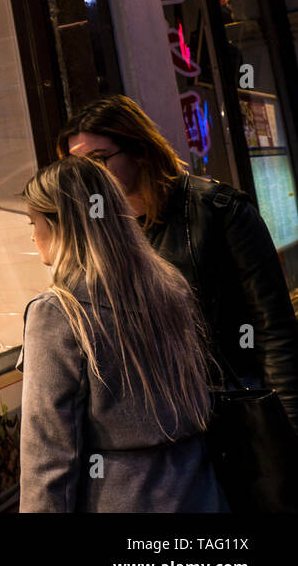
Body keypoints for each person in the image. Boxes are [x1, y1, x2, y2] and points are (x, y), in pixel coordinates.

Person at [59, 94, 298, 435]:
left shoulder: (218, 211)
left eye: (99, 160)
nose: (90, 178)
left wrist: (288, 427)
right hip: (159, 431)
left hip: (229, 414)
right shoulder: (94, 232)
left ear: (139, 151)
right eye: (80, 168)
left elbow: (273, 329)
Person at [19, 155, 226, 511]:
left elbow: (49, 452)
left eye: (33, 221)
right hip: (200, 491)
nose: (33, 235)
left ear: (60, 225)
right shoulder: (169, 285)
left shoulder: (57, 311)